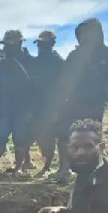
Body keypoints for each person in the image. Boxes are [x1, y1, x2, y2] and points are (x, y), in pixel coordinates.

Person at [54, 19, 108, 182]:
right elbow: (64, 78)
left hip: (94, 102)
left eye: (90, 33)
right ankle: (64, 169)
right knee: (64, 134)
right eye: (82, 34)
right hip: (73, 102)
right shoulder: (74, 55)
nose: (86, 37)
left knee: (91, 137)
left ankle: (92, 171)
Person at [0, 30, 35, 176]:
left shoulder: (30, 63)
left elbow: (34, 88)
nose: (8, 48)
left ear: (20, 44)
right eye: (6, 44)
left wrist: (30, 109)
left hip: (22, 108)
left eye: (11, 44)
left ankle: (18, 169)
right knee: (0, 138)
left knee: (21, 140)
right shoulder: (0, 64)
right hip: (4, 108)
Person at [31, 31, 65, 177]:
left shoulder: (57, 61)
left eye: (44, 44)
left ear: (52, 44)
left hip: (53, 104)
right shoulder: (37, 61)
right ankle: (48, 163)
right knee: (41, 135)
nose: (40, 46)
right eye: (39, 44)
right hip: (38, 104)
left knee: (55, 135)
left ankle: (55, 166)